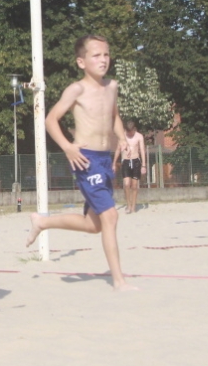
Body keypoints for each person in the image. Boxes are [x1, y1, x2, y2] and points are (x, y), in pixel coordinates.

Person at [27, 34, 137, 291]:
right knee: (110, 217)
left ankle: (42, 222)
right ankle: (119, 281)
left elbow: (114, 116)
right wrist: (67, 147)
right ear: (81, 61)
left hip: (104, 159)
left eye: (106, 54)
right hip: (85, 160)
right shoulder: (76, 89)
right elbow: (50, 119)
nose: (103, 60)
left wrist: (121, 138)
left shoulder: (112, 86)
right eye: (96, 55)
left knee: (94, 225)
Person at [120, 119, 146, 214]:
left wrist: (143, 165)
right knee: (126, 184)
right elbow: (119, 148)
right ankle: (128, 204)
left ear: (134, 129)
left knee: (134, 186)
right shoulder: (122, 136)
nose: (129, 134)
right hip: (126, 161)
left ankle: (134, 206)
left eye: (131, 132)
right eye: (128, 132)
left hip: (136, 161)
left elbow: (142, 150)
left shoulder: (139, 136)